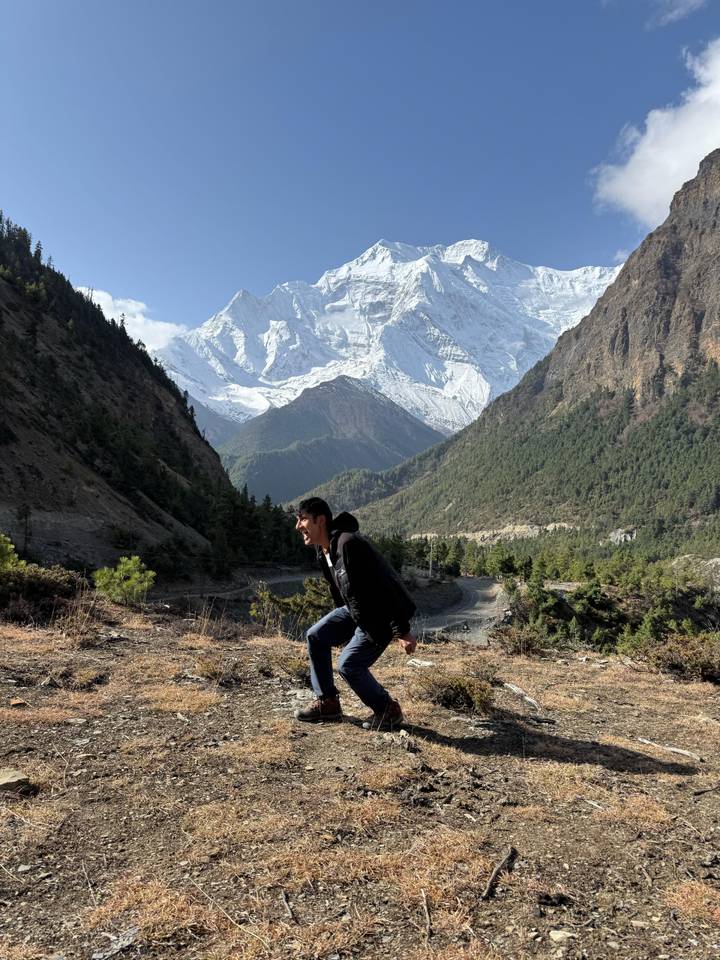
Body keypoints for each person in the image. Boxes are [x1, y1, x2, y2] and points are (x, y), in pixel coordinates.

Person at [293, 497, 417, 730]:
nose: (298, 526)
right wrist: (344, 625)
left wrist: (402, 630)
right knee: (315, 636)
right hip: (356, 611)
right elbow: (339, 589)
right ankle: (328, 702)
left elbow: (385, 585)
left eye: (303, 519)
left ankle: (388, 709)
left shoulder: (349, 544)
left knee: (348, 665)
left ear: (320, 520)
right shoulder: (324, 550)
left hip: (379, 617)